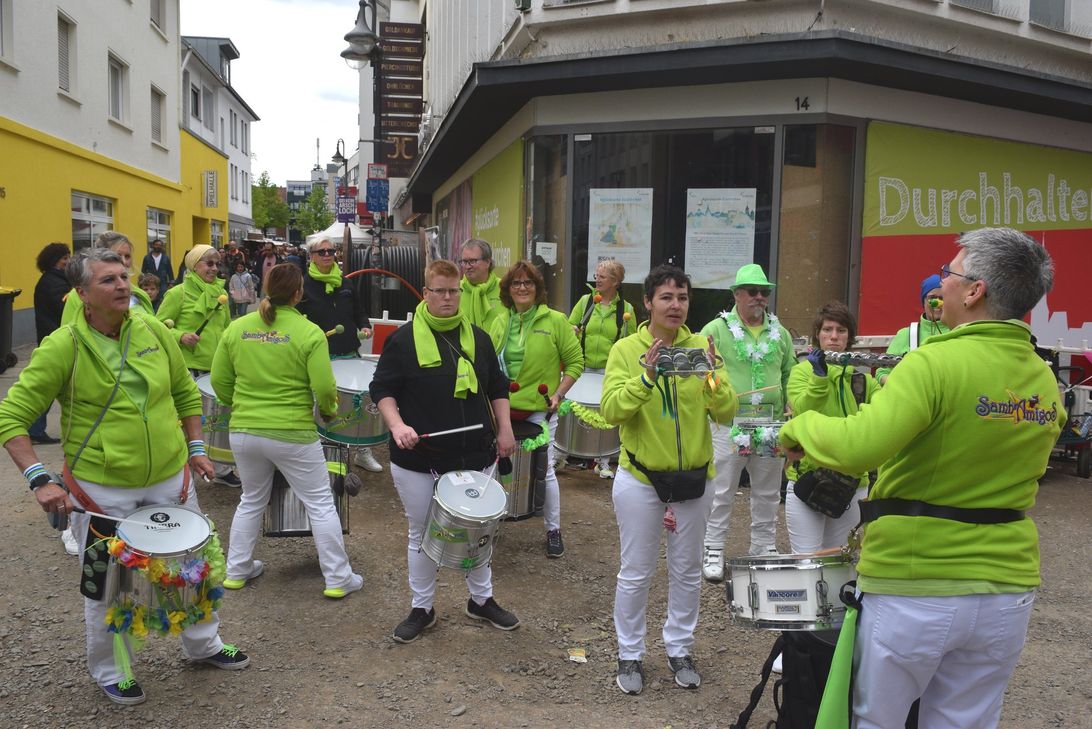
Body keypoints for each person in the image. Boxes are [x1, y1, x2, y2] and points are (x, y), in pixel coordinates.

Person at [780, 227, 1060, 728]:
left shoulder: (931, 362)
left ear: (975, 291)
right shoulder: (1042, 376)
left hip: (917, 582)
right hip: (1006, 585)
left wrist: (800, 426)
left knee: (877, 719)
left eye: (949, 272)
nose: (942, 281)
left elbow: (860, 445)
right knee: (964, 720)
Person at [0, 248, 249, 706]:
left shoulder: (152, 330)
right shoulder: (63, 346)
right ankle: (113, 669)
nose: (122, 285)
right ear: (82, 293)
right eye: (108, 280)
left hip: (171, 478)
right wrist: (39, 478)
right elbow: (11, 417)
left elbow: (183, 392)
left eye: (123, 276)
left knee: (191, 568)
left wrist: (196, 448)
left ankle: (203, 645)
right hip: (100, 491)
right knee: (108, 586)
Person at [601, 264, 736, 695]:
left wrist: (711, 376)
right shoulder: (626, 349)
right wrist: (646, 378)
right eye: (666, 297)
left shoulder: (701, 347)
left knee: (687, 571)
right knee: (636, 571)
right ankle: (630, 652)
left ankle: (680, 647)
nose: (675, 305)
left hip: (695, 479)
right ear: (648, 302)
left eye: (682, 297)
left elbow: (727, 412)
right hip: (641, 479)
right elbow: (611, 410)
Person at [371, 259, 519, 643]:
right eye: (440, 291)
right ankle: (422, 608)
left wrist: (505, 429)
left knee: (480, 530)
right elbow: (382, 389)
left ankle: (481, 600)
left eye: (454, 291)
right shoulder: (403, 340)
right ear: (426, 293)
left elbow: (497, 387)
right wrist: (397, 425)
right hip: (419, 460)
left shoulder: (478, 339)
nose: (448, 298)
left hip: (474, 454)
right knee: (422, 533)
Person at [210, 263, 363, 599]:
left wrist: (239, 405)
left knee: (251, 499)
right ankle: (338, 578)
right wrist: (328, 411)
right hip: (292, 431)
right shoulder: (309, 332)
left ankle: (237, 570)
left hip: (245, 430)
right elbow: (325, 386)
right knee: (320, 503)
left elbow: (219, 379)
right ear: (298, 294)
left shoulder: (237, 328)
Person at [700, 263, 795, 581]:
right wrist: (711, 385)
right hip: (728, 424)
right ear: (737, 295)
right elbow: (701, 375)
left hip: (769, 424)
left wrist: (791, 402)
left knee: (768, 491)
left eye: (764, 292)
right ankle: (713, 547)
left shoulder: (780, 333)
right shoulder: (715, 330)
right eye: (753, 291)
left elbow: (789, 374)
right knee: (721, 490)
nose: (760, 297)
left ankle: (763, 547)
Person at [489, 261, 583, 558]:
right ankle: (488, 525)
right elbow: (488, 365)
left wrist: (558, 394)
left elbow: (575, 362)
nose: (522, 288)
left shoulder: (556, 321)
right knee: (490, 467)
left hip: (538, 409)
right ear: (508, 289)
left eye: (528, 282)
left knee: (546, 470)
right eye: (516, 283)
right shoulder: (499, 321)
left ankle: (553, 530)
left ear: (537, 288)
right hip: (501, 408)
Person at [784, 302, 877, 555]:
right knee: (805, 562)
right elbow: (803, 412)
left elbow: (881, 420)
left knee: (841, 560)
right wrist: (819, 378)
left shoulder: (864, 380)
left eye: (841, 330)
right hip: (808, 479)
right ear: (818, 334)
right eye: (827, 330)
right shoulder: (801, 372)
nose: (834, 336)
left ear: (850, 336)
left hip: (852, 483)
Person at [296, 238, 382, 473]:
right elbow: (295, 318)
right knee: (323, 404)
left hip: (349, 351)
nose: (327, 255)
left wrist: (364, 325)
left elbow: (359, 311)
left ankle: (362, 451)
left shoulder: (346, 283)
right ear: (312, 256)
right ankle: (327, 452)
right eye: (321, 251)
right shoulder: (304, 286)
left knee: (358, 402)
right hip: (320, 356)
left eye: (331, 251)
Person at [157, 245, 239, 487]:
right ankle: (184, 472)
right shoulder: (178, 294)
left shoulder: (220, 294)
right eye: (209, 264)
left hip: (217, 367)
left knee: (220, 421)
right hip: (188, 369)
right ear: (194, 266)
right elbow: (157, 327)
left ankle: (221, 468)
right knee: (189, 422)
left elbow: (226, 329)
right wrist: (180, 335)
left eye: (217, 264)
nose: (214, 269)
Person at [568, 258, 636, 478]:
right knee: (572, 408)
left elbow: (633, 342)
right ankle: (562, 453)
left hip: (608, 371)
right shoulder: (586, 302)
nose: (597, 280)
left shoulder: (626, 309)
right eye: (596, 276)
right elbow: (568, 327)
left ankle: (603, 460)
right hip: (582, 366)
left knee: (604, 412)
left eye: (602, 277)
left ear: (615, 282)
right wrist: (572, 330)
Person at [62, 231, 155, 323]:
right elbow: (71, 330)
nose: (124, 262)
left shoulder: (141, 294)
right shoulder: (79, 295)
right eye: (117, 256)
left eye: (127, 256)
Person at [29, 242, 70, 447]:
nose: (68, 262)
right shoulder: (53, 282)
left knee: (52, 386)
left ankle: (35, 429)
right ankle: (34, 429)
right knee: (50, 386)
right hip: (55, 339)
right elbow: (65, 308)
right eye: (64, 258)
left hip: (53, 336)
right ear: (54, 260)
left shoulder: (54, 279)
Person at [876, 273, 951, 385]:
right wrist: (904, 387)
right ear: (923, 302)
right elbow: (882, 372)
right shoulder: (907, 334)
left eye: (942, 298)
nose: (937, 303)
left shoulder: (958, 330)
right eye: (932, 298)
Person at [458, 238, 503, 331]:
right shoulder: (455, 291)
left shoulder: (504, 288)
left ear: (487, 262)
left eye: (472, 261)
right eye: (464, 262)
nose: (467, 266)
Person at [140, 238, 172, 306]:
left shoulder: (165, 258)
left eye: (160, 245)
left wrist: (171, 282)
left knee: (162, 300)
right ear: (153, 245)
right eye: (156, 245)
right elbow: (143, 271)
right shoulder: (147, 258)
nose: (158, 246)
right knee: (150, 299)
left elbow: (170, 271)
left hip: (163, 283)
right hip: (150, 283)